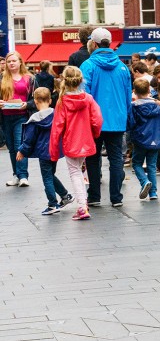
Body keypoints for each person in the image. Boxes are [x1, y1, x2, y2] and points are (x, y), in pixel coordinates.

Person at [82, 27, 133, 208]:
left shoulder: (88, 66)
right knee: (116, 158)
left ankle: (94, 195)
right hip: (117, 119)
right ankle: (116, 197)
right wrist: (127, 116)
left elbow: (83, 96)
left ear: (94, 44)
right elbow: (128, 96)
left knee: (93, 158)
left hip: (94, 120)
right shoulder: (122, 67)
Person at [50, 66, 104, 221]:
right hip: (86, 139)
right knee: (79, 172)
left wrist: (53, 152)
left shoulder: (62, 101)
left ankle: (82, 206)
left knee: (75, 173)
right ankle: (83, 203)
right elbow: (98, 120)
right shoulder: (88, 99)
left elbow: (57, 128)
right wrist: (94, 133)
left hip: (71, 142)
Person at [17, 87, 74, 215]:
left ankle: (52, 204)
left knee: (47, 178)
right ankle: (65, 196)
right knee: (50, 174)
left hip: (43, 152)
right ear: (49, 100)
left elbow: (29, 139)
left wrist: (22, 151)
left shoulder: (34, 119)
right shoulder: (57, 114)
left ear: (36, 101)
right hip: (55, 150)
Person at [0, 51, 34, 187]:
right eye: (9, 61)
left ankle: (23, 176)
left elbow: (34, 99)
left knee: (19, 145)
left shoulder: (29, 78)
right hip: (6, 117)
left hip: (22, 116)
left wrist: (27, 104)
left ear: (20, 62)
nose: (11, 63)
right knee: (11, 148)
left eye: (14, 61)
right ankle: (16, 175)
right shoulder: (2, 78)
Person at [128, 78, 160, 200]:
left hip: (140, 139)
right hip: (155, 139)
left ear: (135, 91)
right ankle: (153, 192)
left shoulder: (134, 106)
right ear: (149, 90)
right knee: (151, 166)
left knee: (137, 163)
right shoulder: (156, 105)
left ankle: (144, 181)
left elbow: (132, 122)